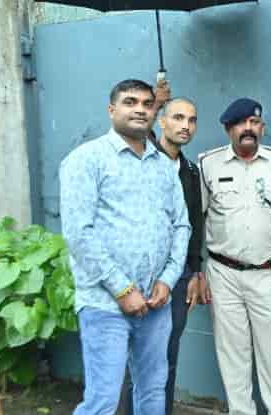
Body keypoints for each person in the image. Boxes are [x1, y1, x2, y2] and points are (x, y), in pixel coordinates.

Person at [60, 79, 191, 415]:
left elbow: (182, 225)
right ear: (111, 110)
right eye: (130, 102)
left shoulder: (164, 166)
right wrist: (122, 289)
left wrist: (168, 280)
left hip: (156, 303)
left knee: (152, 392)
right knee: (102, 400)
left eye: (147, 104)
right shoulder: (86, 160)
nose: (140, 109)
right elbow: (79, 233)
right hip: (105, 303)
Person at [199, 97, 271, 415]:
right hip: (223, 273)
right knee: (232, 354)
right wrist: (198, 272)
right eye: (240, 123)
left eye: (254, 122)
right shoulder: (208, 164)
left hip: (268, 272)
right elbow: (194, 218)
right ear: (228, 129)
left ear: (262, 127)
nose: (248, 129)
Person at [122, 97, 208, 415]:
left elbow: (195, 226)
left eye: (192, 120)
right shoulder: (138, 159)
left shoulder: (191, 171)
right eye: (178, 118)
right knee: (136, 359)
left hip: (178, 277)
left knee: (168, 356)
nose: (185, 126)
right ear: (161, 121)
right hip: (139, 274)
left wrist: (195, 272)